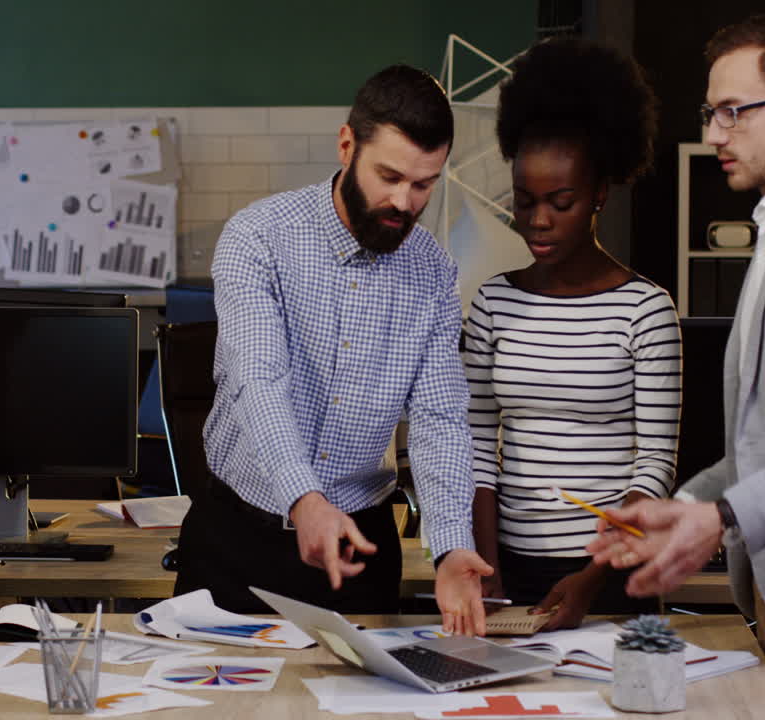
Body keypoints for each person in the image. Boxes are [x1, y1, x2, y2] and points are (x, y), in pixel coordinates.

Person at [587, 14, 765, 719]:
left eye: (734, 113)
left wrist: (723, 516)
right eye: (712, 113)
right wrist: (681, 508)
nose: (714, 134)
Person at [174, 64, 493, 635]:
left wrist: (450, 547)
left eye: (424, 184)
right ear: (347, 145)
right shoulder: (258, 238)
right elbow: (257, 379)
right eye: (389, 176)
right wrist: (305, 500)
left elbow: (440, 420)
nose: (404, 201)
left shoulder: (435, 273)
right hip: (237, 541)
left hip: (360, 549)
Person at [463, 38, 680, 630]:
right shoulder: (493, 303)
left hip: (608, 573)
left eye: (560, 201)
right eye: (525, 200)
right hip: (506, 565)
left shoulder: (646, 310)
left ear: (598, 196)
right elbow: (477, 447)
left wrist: (592, 577)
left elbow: (655, 465)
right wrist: (487, 567)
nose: (537, 220)